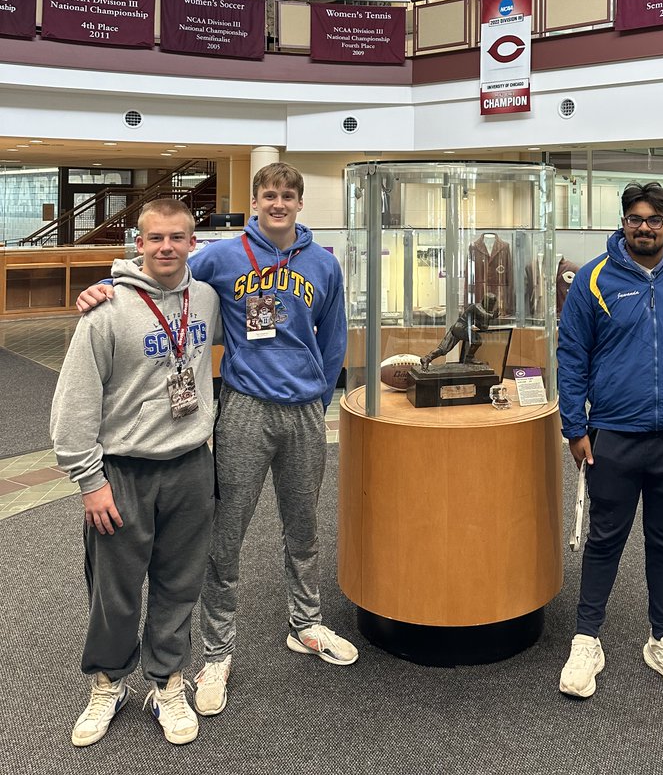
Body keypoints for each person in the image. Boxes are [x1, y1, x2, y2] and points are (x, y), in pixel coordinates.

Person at [76, 162, 356, 719]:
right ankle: (217, 651)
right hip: (244, 410)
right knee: (225, 536)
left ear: (301, 204)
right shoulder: (222, 257)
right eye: (268, 194)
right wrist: (106, 282)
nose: (277, 203)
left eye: (287, 196)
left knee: (303, 525)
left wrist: (321, 395)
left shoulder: (324, 264)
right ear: (255, 201)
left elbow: (335, 335)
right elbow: (161, 271)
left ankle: (306, 623)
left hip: (303, 412)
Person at [51, 199, 220, 748]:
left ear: (193, 243)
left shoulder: (207, 300)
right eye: (155, 238)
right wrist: (89, 482)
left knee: (179, 584)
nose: (166, 247)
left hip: (192, 466)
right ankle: (107, 683)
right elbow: (73, 405)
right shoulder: (106, 310)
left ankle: (167, 682)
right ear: (138, 243)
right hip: (123, 472)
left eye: (177, 237)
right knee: (114, 590)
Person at [557, 181, 663, 700]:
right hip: (614, 434)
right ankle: (587, 640)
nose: (645, 227)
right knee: (606, 540)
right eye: (635, 218)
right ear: (623, 221)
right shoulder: (594, 279)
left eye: (655, 219)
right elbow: (573, 353)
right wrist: (576, 429)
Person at [419, 292, 498, 368]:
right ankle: (469, 358)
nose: (491, 306)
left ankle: (427, 358)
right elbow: (483, 314)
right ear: (486, 301)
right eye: (491, 303)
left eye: (493, 304)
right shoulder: (476, 306)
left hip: (457, 328)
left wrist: (487, 321)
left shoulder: (481, 311)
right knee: (477, 340)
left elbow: (482, 327)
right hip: (461, 328)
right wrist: (492, 315)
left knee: (443, 349)